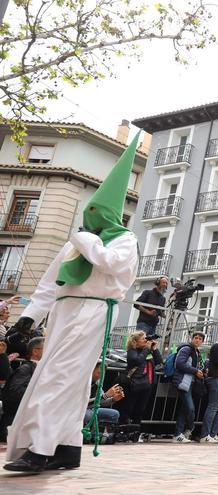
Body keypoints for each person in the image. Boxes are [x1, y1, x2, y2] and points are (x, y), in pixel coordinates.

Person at [3, 134, 140, 473]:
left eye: (96, 210)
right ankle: (67, 446)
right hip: (64, 312)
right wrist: (30, 317)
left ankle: (40, 447)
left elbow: (110, 264)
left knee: (60, 377)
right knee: (68, 380)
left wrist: (87, 238)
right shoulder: (76, 244)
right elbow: (52, 281)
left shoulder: (124, 239)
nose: (90, 215)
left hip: (92, 310)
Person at [0, 338, 43, 442]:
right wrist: (40, 397)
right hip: (20, 424)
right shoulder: (26, 369)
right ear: (35, 351)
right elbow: (15, 391)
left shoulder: (43, 368)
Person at [118, 331, 162, 431]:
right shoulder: (132, 351)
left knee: (140, 410)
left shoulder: (148, 351)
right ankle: (123, 430)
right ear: (135, 341)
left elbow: (159, 361)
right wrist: (146, 349)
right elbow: (137, 360)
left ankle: (135, 431)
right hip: (134, 384)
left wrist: (154, 349)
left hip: (147, 385)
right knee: (128, 408)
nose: (146, 340)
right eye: (143, 339)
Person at [171, 331, 204, 443]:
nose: (197, 340)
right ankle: (190, 428)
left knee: (184, 409)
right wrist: (195, 371)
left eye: (200, 339)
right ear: (192, 338)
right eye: (196, 337)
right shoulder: (186, 349)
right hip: (183, 381)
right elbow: (179, 363)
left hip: (190, 383)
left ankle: (178, 434)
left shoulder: (197, 352)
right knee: (190, 408)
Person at [85, 362, 124, 427]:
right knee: (89, 415)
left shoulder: (97, 383)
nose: (100, 376)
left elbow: (101, 402)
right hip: (80, 410)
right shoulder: (83, 382)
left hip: (91, 408)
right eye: (99, 373)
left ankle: (104, 435)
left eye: (102, 374)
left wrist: (113, 399)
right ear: (92, 370)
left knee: (114, 414)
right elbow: (85, 404)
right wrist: (105, 395)